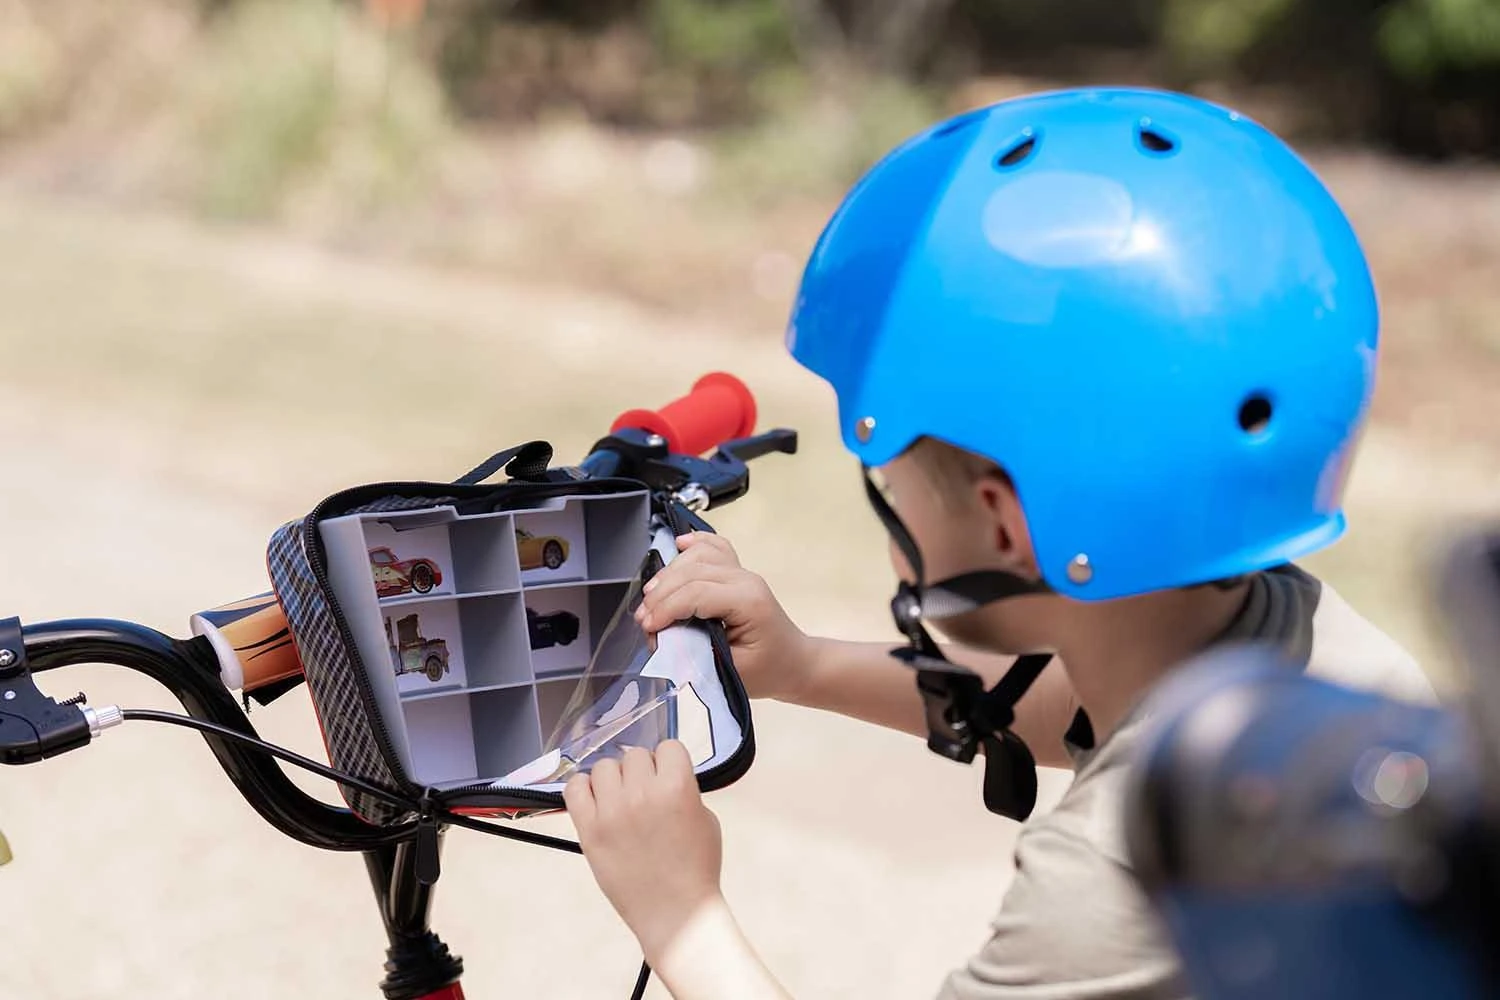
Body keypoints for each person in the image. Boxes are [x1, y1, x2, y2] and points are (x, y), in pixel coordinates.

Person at [561, 87, 1436, 999]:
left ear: (1006, 524)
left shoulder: (1110, 878)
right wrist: (802, 664)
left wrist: (681, 914)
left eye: (891, 481)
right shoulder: (1309, 649)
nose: (888, 504)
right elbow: (1081, 706)